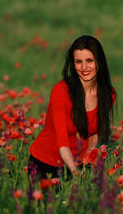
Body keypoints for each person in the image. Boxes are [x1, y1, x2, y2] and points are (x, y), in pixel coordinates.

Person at [28, 35, 116, 181]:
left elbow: (94, 133)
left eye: (89, 61)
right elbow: (62, 143)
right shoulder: (60, 91)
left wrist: (87, 162)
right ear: (73, 64)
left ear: (99, 62)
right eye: (78, 62)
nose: (84, 67)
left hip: (79, 164)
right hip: (46, 164)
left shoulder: (108, 94)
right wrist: (75, 174)